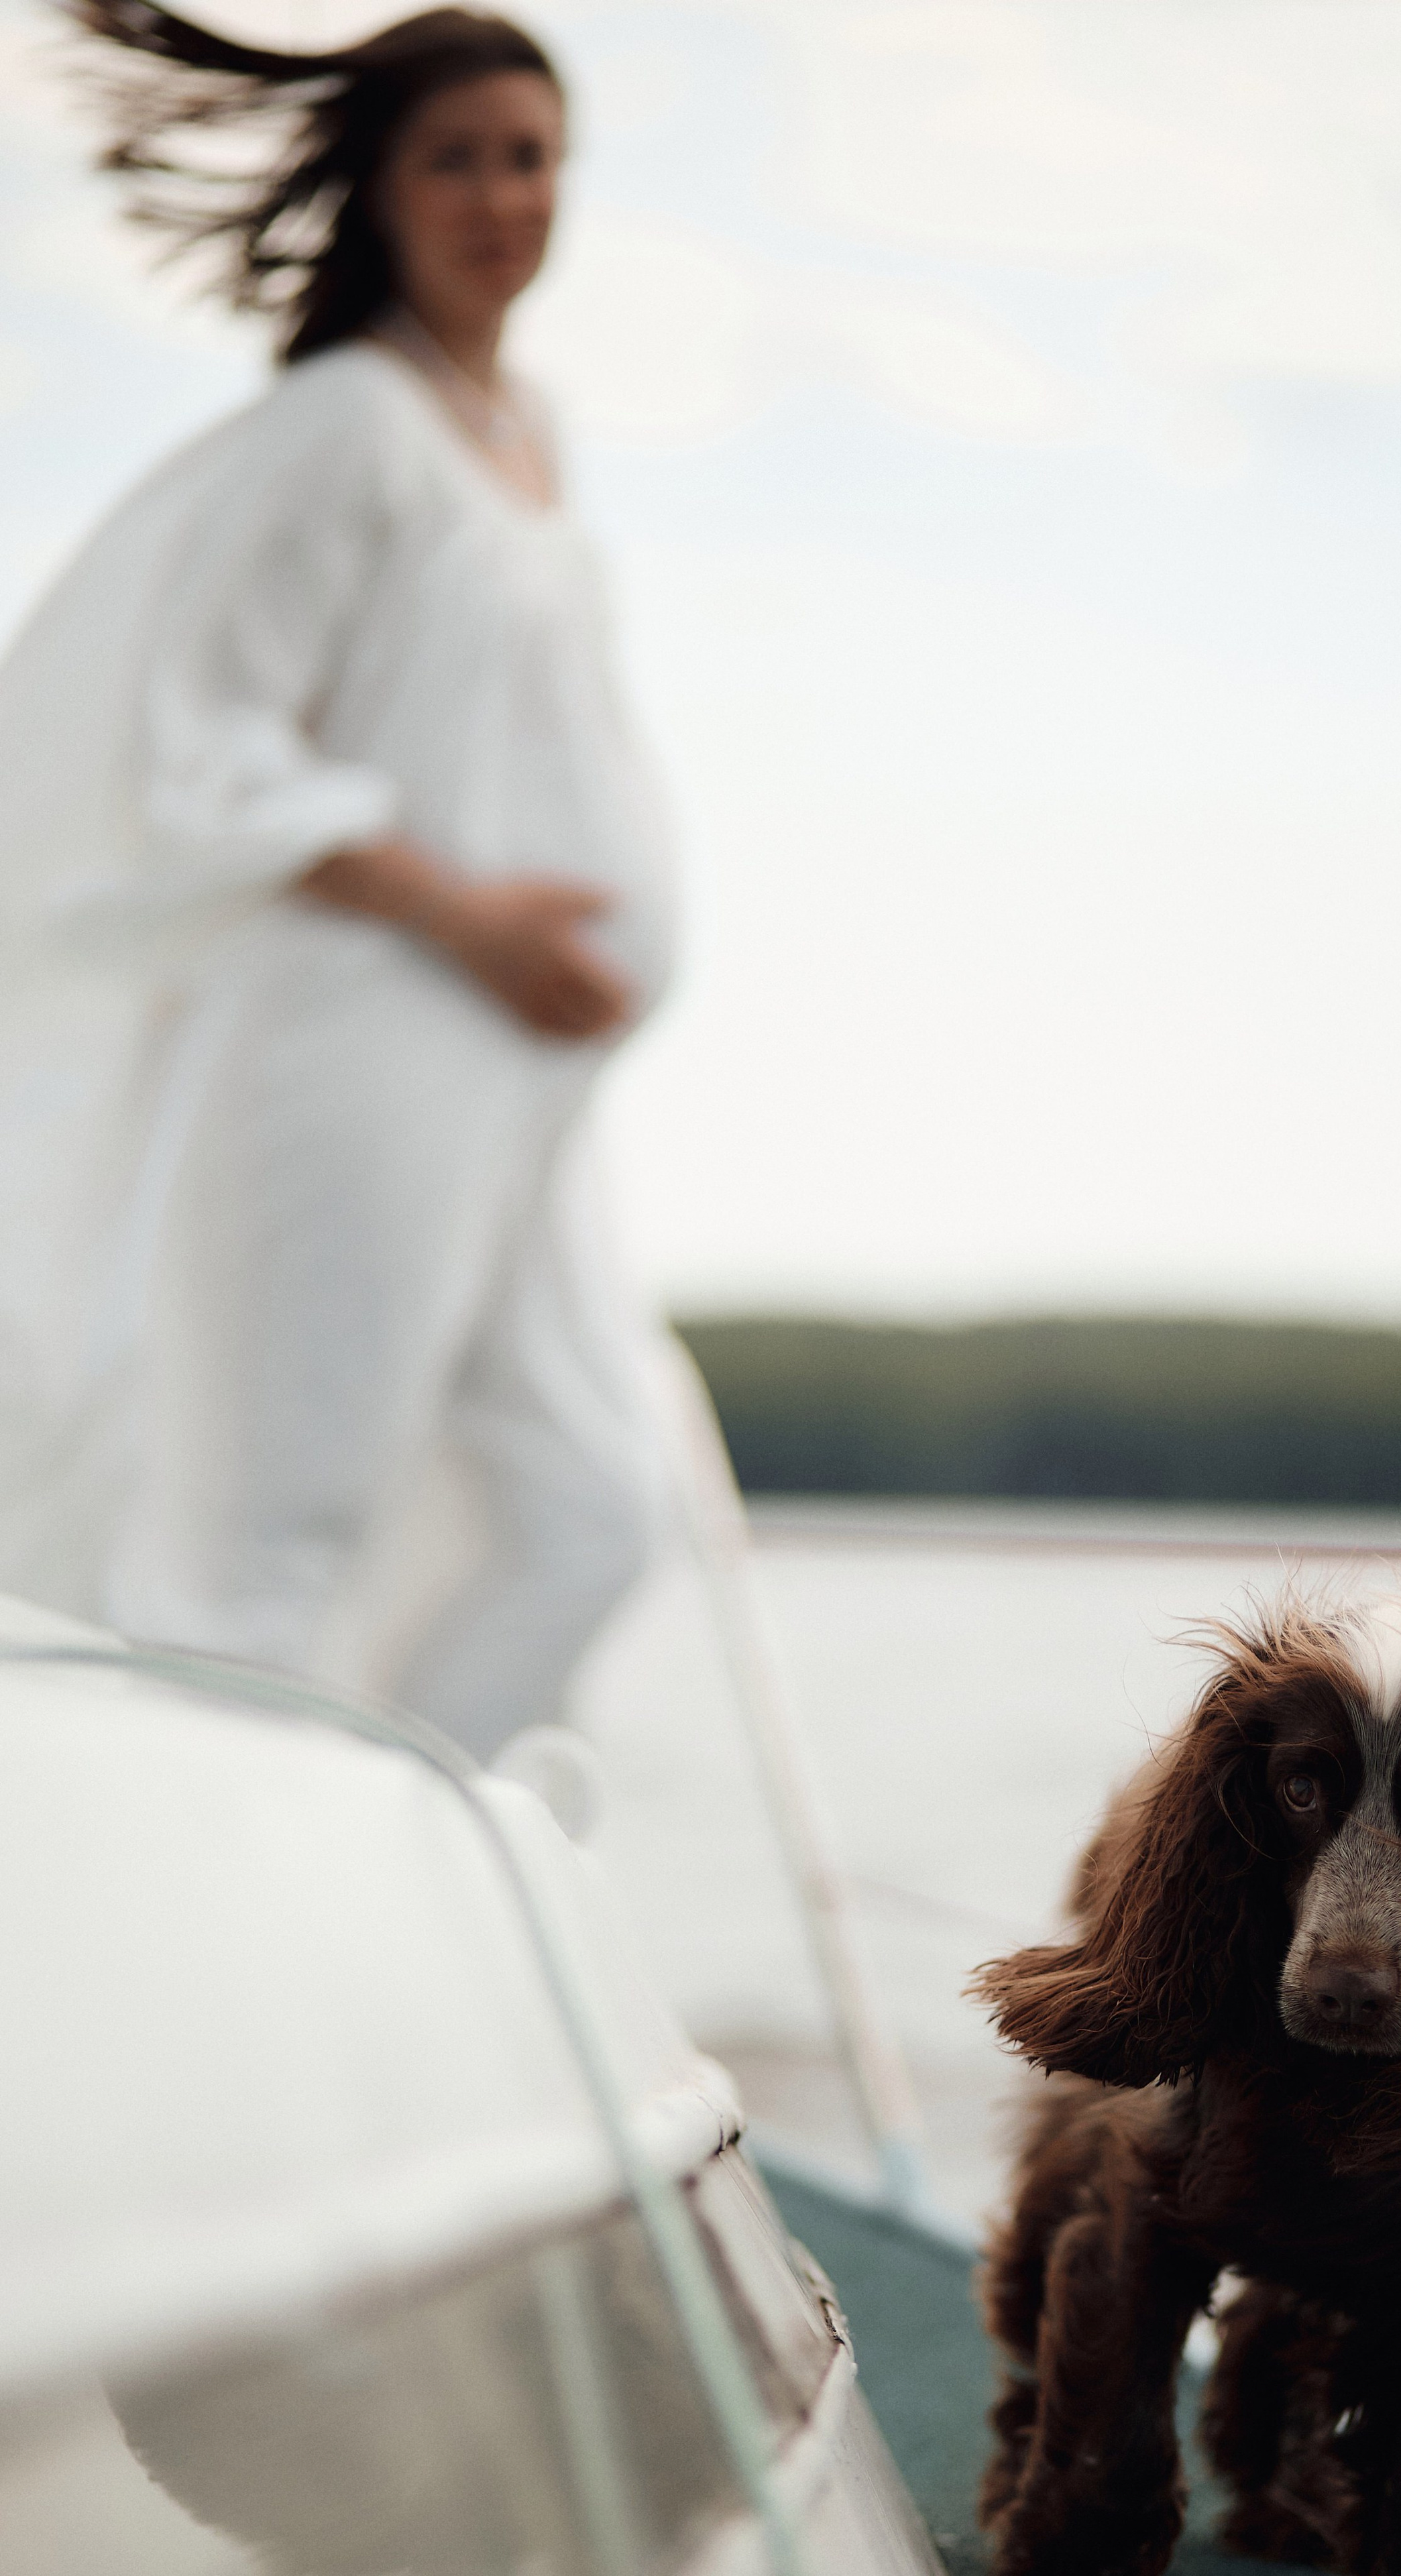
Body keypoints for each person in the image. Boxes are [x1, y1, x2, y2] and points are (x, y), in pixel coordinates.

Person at [0, 5, 678, 1760]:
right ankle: (219, 1900)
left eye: (529, 155)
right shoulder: (347, 426)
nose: (499, 194)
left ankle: (384, 1849)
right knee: (275, 1526)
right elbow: (203, 746)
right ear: (378, 190)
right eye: (454, 156)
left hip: (515, 1071)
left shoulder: (521, 428)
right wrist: (475, 916)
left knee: (596, 1504)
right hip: (359, 1041)